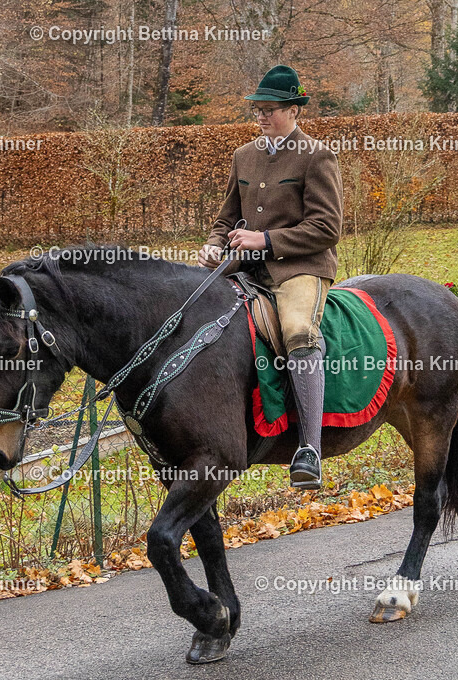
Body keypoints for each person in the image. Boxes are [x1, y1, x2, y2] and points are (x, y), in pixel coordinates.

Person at [198, 64, 343, 490]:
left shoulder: (317, 156)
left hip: (299, 269)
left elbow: (326, 228)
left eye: (271, 109)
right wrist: (213, 243)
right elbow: (226, 219)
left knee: (298, 331)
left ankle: (310, 449)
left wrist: (263, 240)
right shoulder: (243, 155)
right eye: (258, 109)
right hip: (244, 268)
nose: (262, 116)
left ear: (295, 110)